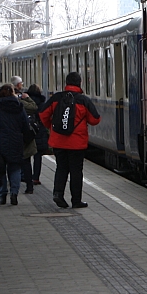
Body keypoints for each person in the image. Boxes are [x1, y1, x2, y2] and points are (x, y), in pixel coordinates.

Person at [39, 72, 100, 209]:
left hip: (58, 141)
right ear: (80, 83)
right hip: (77, 143)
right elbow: (95, 119)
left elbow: (43, 114)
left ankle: (58, 194)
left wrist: (51, 126)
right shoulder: (83, 100)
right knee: (76, 171)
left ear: (66, 83)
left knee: (61, 168)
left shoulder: (56, 98)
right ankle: (76, 200)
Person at [0, 84, 31, 206]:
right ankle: (14, 193)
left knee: (0, 169)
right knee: (15, 168)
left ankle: (2, 195)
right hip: (16, 141)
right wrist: (25, 140)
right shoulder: (19, 107)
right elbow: (26, 126)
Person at [26, 84, 48, 187]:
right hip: (39, 131)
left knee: (26, 156)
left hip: (27, 131)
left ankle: (27, 177)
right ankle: (35, 178)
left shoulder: (25, 102)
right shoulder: (42, 104)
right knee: (38, 156)